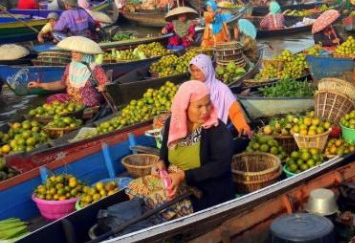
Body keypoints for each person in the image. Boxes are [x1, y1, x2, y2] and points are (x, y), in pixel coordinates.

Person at [127, 80, 236, 218]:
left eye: (208, 104)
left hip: (203, 190)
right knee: (133, 188)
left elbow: (220, 165)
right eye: (199, 106)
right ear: (184, 107)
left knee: (151, 203)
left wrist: (184, 176)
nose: (205, 111)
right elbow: (165, 150)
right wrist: (161, 162)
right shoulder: (173, 123)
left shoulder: (215, 128)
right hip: (174, 179)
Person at [28, 36, 107, 107]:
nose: (73, 55)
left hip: (90, 99)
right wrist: (39, 85)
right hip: (73, 99)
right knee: (51, 99)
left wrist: (103, 87)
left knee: (88, 99)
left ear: (85, 53)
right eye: (72, 52)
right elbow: (62, 84)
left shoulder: (95, 68)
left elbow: (105, 83)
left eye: (77, 52)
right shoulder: (70, 67)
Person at [189, 55, 251, 135]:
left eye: (198, 70)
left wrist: (244, 128)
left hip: (216, 133)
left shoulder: (221, 89)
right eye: (193, 71)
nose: (195, 74)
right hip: (196, 133)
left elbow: (234, 110)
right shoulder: (192, 88)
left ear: (207, 70)